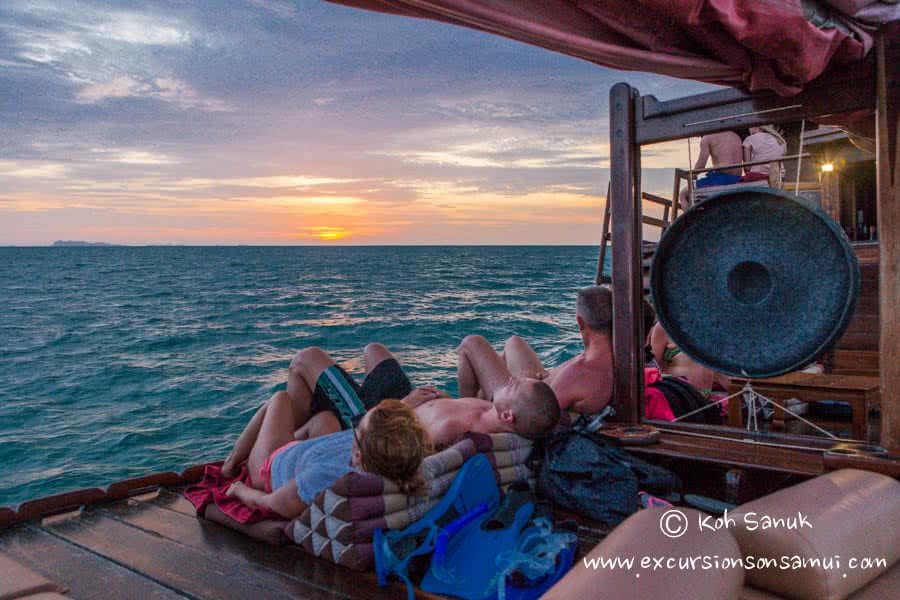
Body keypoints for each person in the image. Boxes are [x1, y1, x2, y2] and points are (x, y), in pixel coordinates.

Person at [283, 343, 560, 449]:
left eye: (513, 386)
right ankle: (321, 412)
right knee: (374, 350)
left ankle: (289, 442)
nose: (508, 380)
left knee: (306, 359)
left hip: (372, 420)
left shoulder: (449, 431)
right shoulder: (491, 413)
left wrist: (404, 405)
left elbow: (385, 441)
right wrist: (445, 398)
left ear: (508, 415)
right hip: (406, 401)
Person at [225, 395, 430, 519]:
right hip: (306, 454)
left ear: (359, 455)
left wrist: (239, 490)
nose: (354, 431)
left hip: (269, 468)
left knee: (281, 399)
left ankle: (231, 463)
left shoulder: (322, 478)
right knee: (326, 418)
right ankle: (283, 438)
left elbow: (270, 504)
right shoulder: (390, 458)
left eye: (357, 430)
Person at [467, 285, 617, 415]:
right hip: (537, 384)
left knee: (472, 343)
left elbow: (533, 414)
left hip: (523, 401)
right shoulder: (605, 355)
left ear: (580, 322)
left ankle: (465, 408)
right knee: (514, 343)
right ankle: (480, 397)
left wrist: (525, 383)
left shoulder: (581, 372)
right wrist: (535, 379)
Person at [679, 131, 743, 210]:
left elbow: (701, 165)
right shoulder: (735, 136)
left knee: (683, 194)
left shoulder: (708, 137)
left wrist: (692, 175)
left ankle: (689, 220)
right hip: (738, 179)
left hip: (720, 180)